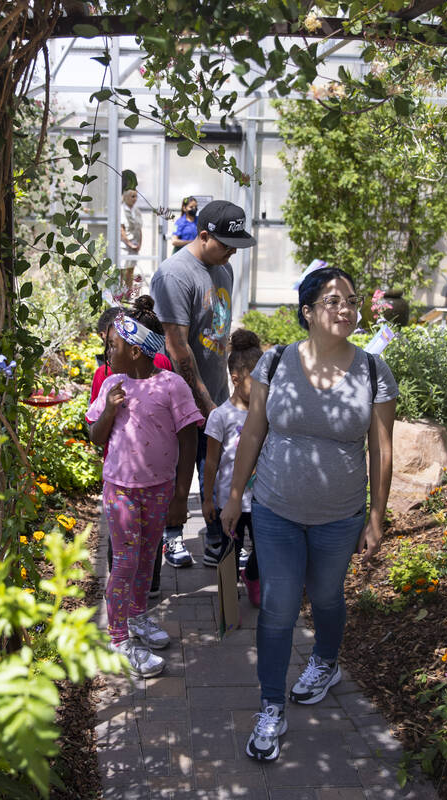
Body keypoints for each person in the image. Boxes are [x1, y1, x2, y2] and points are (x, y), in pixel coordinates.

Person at [219, 266, 397, 762]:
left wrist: (377, 513)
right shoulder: (275, 362)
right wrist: (236, 496)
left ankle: (325, 660)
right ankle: (271, 706)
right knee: (277, 606)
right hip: (275, 509)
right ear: (308, 311)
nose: (345, 309)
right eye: (333, 300)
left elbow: (381, 447)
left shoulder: (373, 370)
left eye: (352, 300)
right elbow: (253, 432)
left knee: (325, 596)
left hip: (340, 515)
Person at [86, 296, 203, 677]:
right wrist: (109, 411)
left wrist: (181, 497)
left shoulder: (172, 386)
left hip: (159, 489)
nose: (108, 353)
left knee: (147, 557)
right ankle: (118, 638)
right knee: (125, 561)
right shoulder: (112, 385)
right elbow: (94, 436)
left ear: (136, 351)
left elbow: (189, 442)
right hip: (120, 489)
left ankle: (137, 616)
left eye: (113, 346)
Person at [151, 199, 256, 569]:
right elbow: (177, 346)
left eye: (237, 246)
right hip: (181, 400)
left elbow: (218, 333)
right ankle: (171, 536)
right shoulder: (174, 275)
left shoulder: (222, 270)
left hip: (215, 394)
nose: (232, 253)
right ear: (204, 234)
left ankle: (217, 543)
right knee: (178, 471)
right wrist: (205, 403)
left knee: (214, 469)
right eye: (226, 245)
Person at [90, 306, 174, 601]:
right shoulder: (110, 376)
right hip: (121, 478)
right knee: (137, 539)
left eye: (110, 343)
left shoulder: (109, 371)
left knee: (142, 540)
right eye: (108, 343)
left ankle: (138, 594)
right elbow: (96, 429)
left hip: (153, 479)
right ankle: (138, 591)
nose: (107, 351)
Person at [201, 328, 262, 607]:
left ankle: (252, 576)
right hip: (229, 503)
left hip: (262, 501)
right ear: (236, 379)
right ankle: (227, 601)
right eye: (256, 382)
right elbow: (211, 463)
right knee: (229, 553)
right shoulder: (220, 416)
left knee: (263, 552)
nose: (263, 389)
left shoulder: (265, 414)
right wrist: (207, 499)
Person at [120, 188, 143, 292]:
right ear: (125, 197)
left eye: (136, 196)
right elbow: (121, 230)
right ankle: (120, 295)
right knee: (123, 271)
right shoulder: (121, 210)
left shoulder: (137, 211)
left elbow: (139, 229)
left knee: (131, 271)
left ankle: (128, 295)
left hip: (135, 245)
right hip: (124, 246)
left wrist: (139, 244)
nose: (135, 199)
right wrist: (129, 243)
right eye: (132, 196)